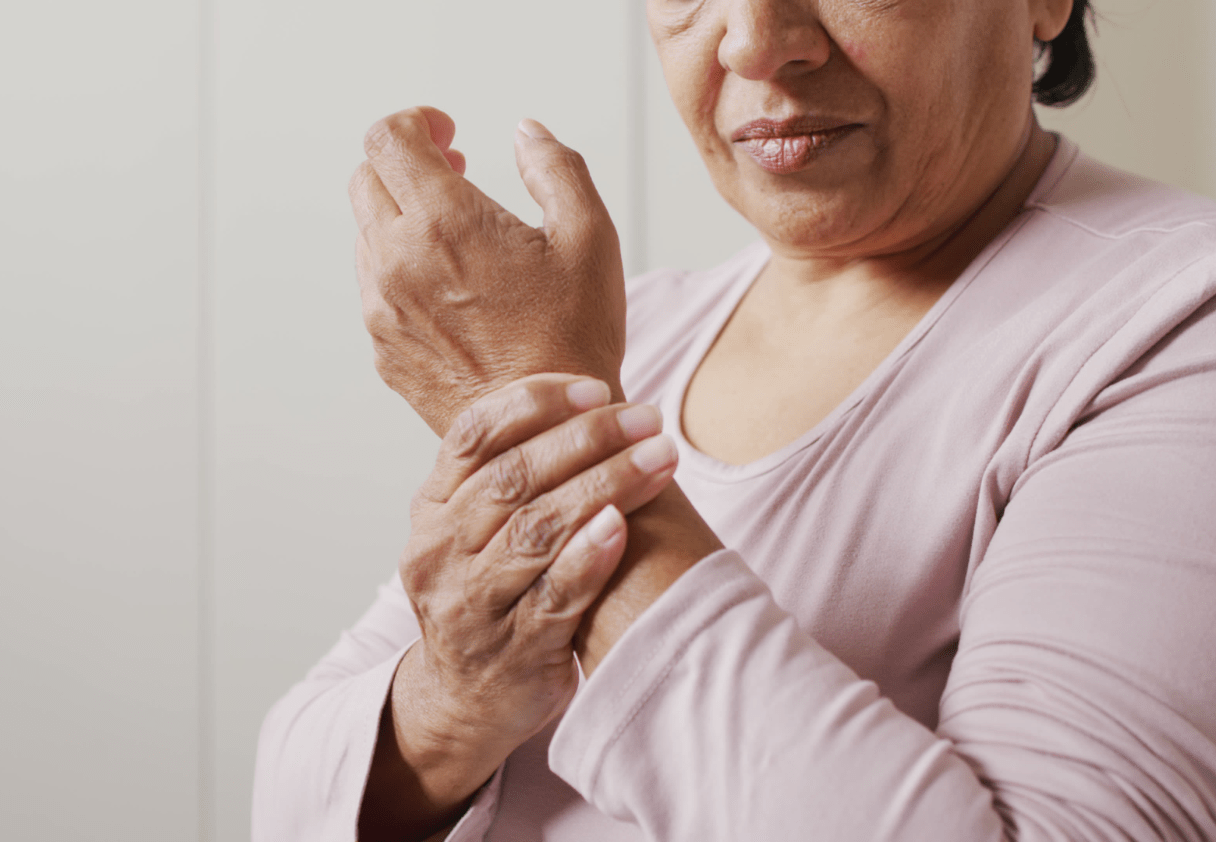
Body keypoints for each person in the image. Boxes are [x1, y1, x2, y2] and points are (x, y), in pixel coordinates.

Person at [253, 0, 1216, 839]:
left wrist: (540, 418)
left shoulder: (1174, 320)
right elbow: (293, 794)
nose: (756, 44)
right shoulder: (637, 331)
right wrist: (453, 701)